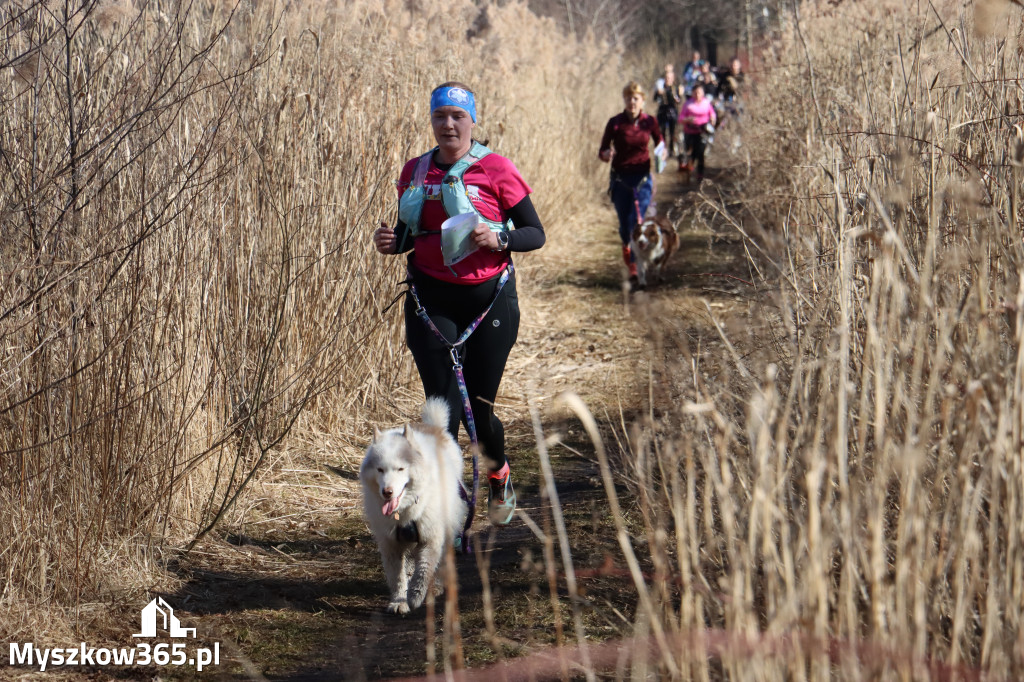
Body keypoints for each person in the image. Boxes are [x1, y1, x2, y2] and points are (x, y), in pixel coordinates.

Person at [373, 81, 546, 526]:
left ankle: (499, 474)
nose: (448, 124)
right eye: (440, 116)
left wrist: (499, 237)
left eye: (457, 116)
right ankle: (445, 515)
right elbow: (408, 233)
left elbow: (534, 233)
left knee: (480, 416)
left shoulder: (495, 168)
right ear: (431, 119)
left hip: (489, 303)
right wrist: (391, 242)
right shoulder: (415, 170)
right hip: (430, 302)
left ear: (472, 120)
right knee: (440, 415)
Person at [598, 81, 664, 289]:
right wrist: (606, 154)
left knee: (635, 220)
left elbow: (660, 143)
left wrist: (662, 154)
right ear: (624, 100)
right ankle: (629, 252)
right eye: (628, 98)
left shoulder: (650, 122)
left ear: (642, 100)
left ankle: (635, 266)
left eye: (635, 98)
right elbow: (602, 150)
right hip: (620, 180)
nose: (632, 102)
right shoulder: (615, 123)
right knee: (623, 226)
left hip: (642, 180)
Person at [678, 83, 717, 182]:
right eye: (695, 93)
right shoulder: (688, 104)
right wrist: (687, 119)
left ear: (703, 93)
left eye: (699, 92)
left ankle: (700, 173)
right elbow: (680, 118)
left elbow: (712, 113)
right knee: (690, 153)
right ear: (692, 93)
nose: (697, 95)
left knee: (701, 152)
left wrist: (713, 119)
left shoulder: (706, 103)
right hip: (690, 131)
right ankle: (689, 170)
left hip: (702, 131)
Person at [653, 65, 681, 157]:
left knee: (672, 132)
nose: (668, 79)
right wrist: (658, 94)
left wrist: (677, 97)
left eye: (669, 78)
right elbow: (655, 99)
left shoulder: (675, 88)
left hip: (672, 112)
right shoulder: (660, 88)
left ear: (673, 79)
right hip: (662, 112)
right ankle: (663, 149)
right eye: (666, 78)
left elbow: (679, 100)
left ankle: (672, 150)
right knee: (662, 132)